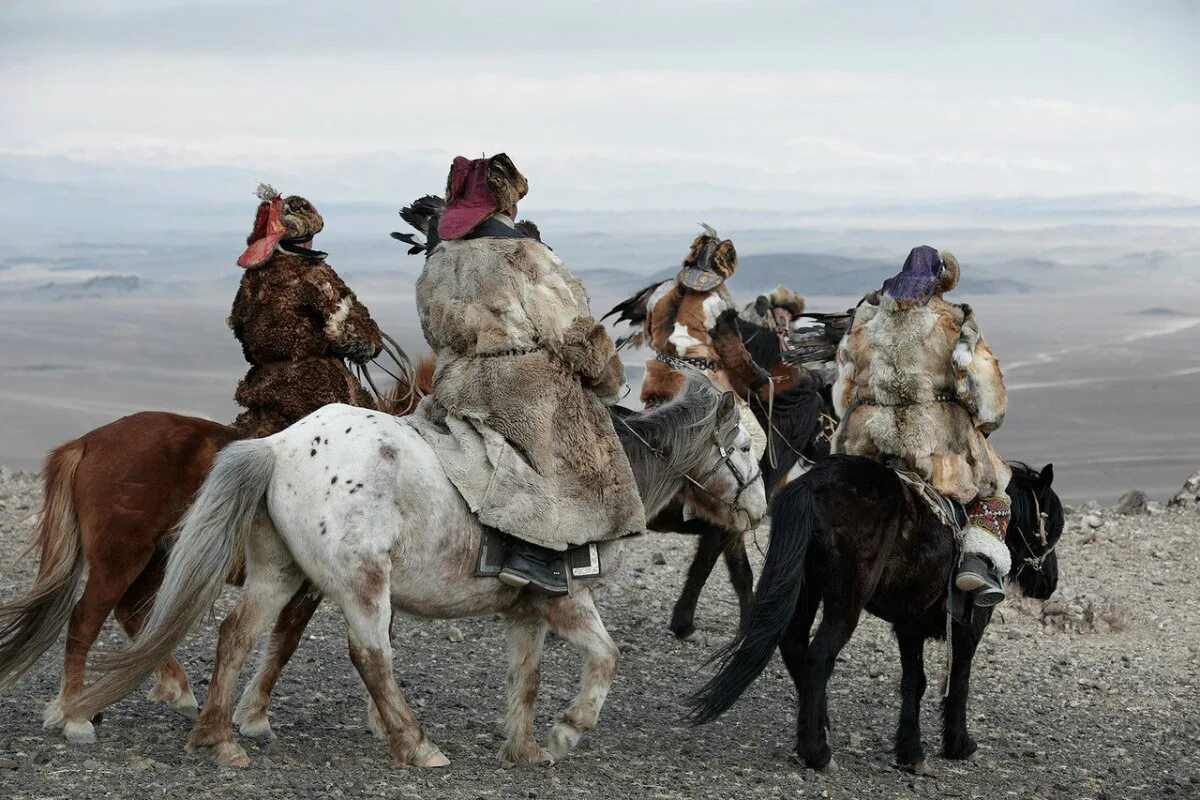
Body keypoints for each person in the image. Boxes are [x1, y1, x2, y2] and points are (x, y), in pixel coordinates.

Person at [414, 154, 645, 596]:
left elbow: (432, 330)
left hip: (454, 384)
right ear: (508, 204)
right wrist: (607, 378)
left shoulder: (439, 261)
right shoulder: (527, 255)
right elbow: (572, 332)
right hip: (520, 385)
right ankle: (538, 556)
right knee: (577, 448)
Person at [831, 246, 1012, 606]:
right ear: (939, 284)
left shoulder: (864, 324)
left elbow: (842, 395)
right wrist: (982, 421)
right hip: (934, 444)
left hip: (867, 443)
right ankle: (975, 564)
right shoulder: (956, 323)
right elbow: (987, 395)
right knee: (997, 491)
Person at [229, 184, 383, 438]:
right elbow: (353, 334)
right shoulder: (314, 275)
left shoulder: (251, 279)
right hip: (317, 391)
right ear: (307, 235)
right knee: (375, 440)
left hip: (265, 387)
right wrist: (371, 342)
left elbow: (239, 327)